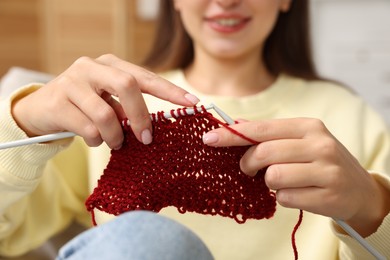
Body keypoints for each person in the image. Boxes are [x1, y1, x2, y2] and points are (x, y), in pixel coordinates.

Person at [0, 0, 389, 259]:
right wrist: (21, 123)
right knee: (149, 241)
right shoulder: (107, 109)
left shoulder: (351, 120)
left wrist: (372, 207)